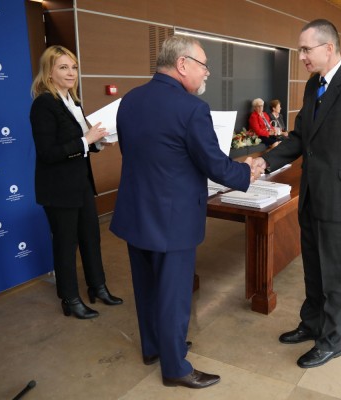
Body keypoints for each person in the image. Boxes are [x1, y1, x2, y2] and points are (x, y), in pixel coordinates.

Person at [110, 36, 255, 389]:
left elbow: (134, 154)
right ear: (182, 64)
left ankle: (154, 348)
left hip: (135, 212)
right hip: (172, 220)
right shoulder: (192, 109)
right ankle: (175, 367)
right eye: (204, 66)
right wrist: (248, 170)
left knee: (146, 288)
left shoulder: (130, 100)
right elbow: (215, 166)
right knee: (174, 295)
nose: (206, 74)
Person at [252, 19, 341, 369]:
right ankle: (311, 324)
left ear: (329, 48)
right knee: (313, 266)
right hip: (312, 192)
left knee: (333, 272)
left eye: (305, 50)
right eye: (299, 50)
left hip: (340, 198)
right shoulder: (314, 86)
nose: (301, 57)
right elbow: (299, 137)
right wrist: (264, 163)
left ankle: (331, 340)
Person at [29, 45, 123, 320]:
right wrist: (86, 141)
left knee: (91, 237)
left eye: (73, 67)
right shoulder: (44, 104)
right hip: (57, 188)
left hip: (80, 183)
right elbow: (48, 152)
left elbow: (82, 143)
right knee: (66, 243)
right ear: (49, 72)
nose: (71, 73)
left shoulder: (74, 101)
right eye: (63, 67)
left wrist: (98, 144)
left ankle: (98, 287)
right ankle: (69, 299)